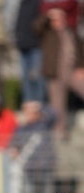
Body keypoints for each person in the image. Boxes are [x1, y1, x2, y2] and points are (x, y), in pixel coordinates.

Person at [34, 7, 84, 137]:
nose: (57, 21)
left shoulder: (71, 31)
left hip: (72, 70)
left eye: (60, 18)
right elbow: (36, 27)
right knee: (57, 105)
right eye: (55, 19)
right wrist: (48, 16)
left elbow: (80, 49)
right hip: (55, 72)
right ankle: (59, 133)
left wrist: (81, 66)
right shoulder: (48, 33)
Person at [8, 101, 57, 193]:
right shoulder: (22, 129)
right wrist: (14, 151)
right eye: (27, 112)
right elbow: (14, 145)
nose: (29, 115)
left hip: (45, 166)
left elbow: (54, 114)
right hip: (30, 168)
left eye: (32, 112)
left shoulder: (43, 125)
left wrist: (39, 106)